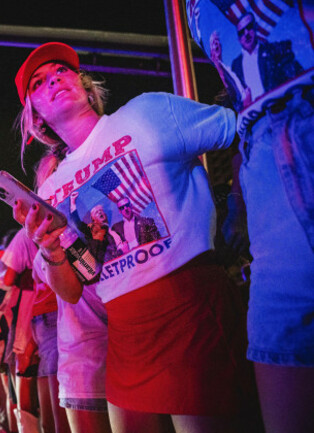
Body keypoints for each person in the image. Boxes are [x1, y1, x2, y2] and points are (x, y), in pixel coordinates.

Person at [12, 42, 255, 433]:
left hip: (191, 312)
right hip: (124, 337)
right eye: (39, 82)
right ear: (36, 117)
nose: (54, 79)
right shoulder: (52, 189)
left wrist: (241, 208)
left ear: (86, 86)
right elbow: (72, 290)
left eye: (62, 71)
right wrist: (51, 250)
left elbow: (244, 127)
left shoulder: (147, 114)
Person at [187, 4, 314, 433]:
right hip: (267, 181)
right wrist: (239, 200)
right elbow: (247, 98)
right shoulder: (193, 10)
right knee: (281, 359)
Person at [1, 228, 72, 433]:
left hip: (39, 311)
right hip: (51, 310)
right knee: (55, 389)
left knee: (33, 379)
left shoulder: (25, 234)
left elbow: (8, 279)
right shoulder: (64, 223)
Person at [231, 13, 303, 104]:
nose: (246, 33)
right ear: (238, 39)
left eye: (249, 27)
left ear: (256, 27)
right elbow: (236, 98)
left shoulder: (275, 51)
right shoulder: (236, 66)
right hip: (255, 116)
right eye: (241, 32)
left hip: (281, 109)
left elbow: (296, 77)